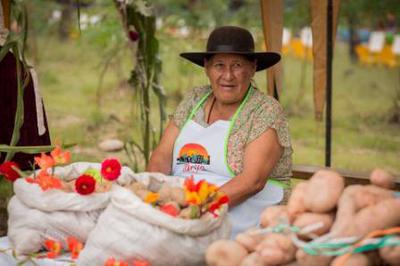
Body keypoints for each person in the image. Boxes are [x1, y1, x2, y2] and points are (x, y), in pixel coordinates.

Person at [147, 25, 293, 237]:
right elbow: (161, 157)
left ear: (252, 68)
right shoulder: (194, 99)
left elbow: (252, 181)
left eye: (237, 65)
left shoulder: (265, 110)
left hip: (244, 221)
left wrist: (195, 208)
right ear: (206, 67)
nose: (228, 75)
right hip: (182, 211)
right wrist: (154, 199)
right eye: (219, 65)